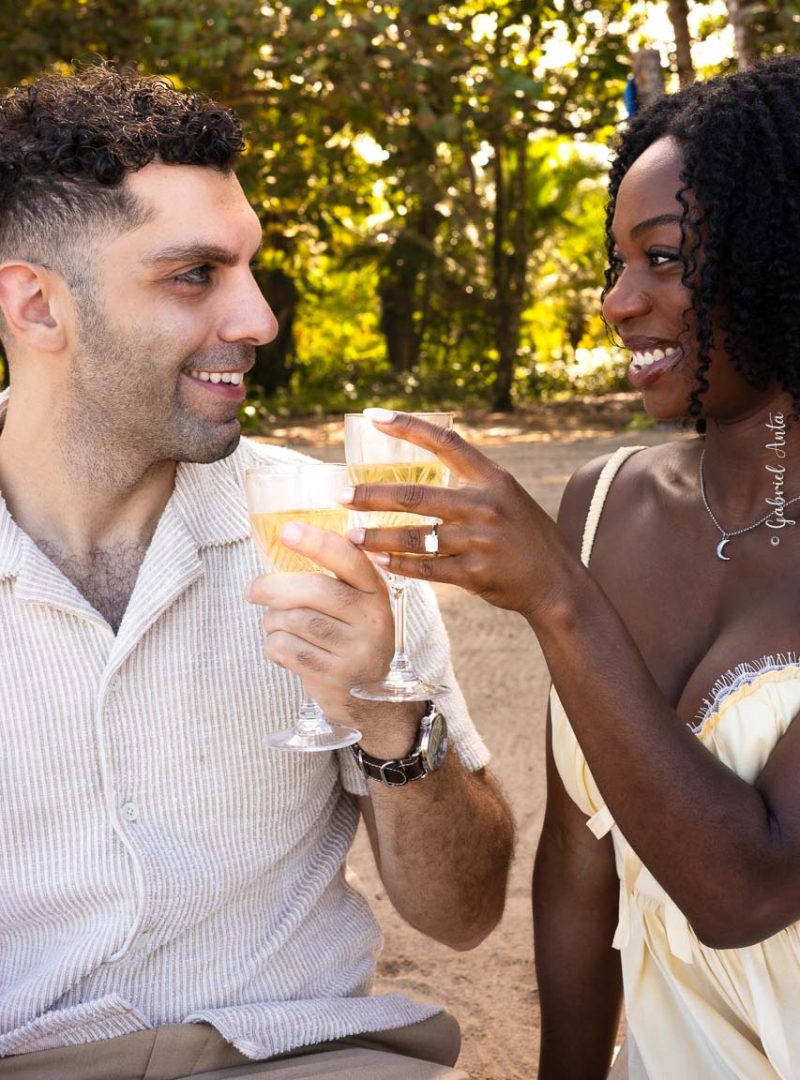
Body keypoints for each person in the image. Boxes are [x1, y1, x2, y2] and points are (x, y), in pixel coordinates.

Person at [0, 65, 514, 1080]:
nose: (259, 320)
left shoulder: (330, 533)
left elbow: (463, 915)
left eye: (249, 268)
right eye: (196, 275)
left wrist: (384, 711)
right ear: (37, 306)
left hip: (299, 1052)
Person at [343, 55, 800, 1079]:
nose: (615, 301)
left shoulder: (569, 565)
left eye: (663, 258)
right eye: (614, 263)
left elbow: (747, 889)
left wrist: (558, 596)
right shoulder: (606, 502)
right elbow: (579, 857)